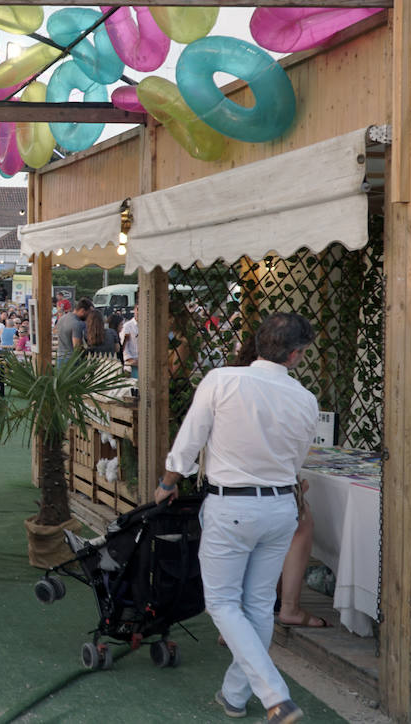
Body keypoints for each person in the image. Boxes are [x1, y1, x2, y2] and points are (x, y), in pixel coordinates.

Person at [153, 313, 319, 724]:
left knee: (225, 603)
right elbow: (297, 461)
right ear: (295, 355)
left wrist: (168, 482)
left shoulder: (222, 380)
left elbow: (189, 441)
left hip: (232, 506)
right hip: (280, 507)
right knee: (259, 605)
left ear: (259, 342)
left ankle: (274, 696)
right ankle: (234, 695)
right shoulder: (305, 399)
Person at [55, 298, 89, 364]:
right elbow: (77, 347)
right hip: (72, 360)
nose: (88, 316)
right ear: (82, 311)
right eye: (88, 313)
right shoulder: (77, 324)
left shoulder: (62, 319)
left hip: (60, 358)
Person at [120, 304, 141, 377]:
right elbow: (124, 347)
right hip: (131, 366)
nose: (140, 312)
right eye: (138, 310)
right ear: (134, 310)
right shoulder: (127, 326)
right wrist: (130, 359)